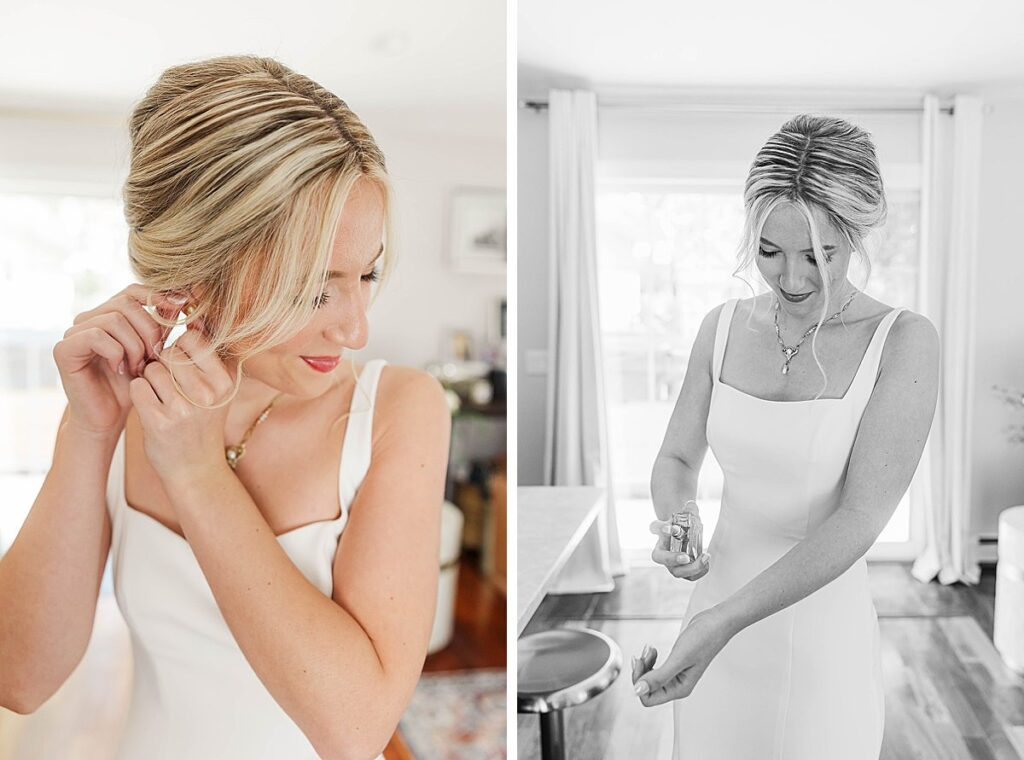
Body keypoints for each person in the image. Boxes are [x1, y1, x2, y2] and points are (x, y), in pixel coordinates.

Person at [0, 55, 451, 760]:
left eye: (365, 274)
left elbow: (354, 730)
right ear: (194, 276)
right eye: (312, 289)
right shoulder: (124, 398)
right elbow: (19, 678)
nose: (356, 328)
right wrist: (90, 431)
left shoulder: (397, 410)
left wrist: (199, 474)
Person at [632, 114, 939, 759]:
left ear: (856, 235)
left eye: (819, 255)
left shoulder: (904, 342)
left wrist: (724, 622)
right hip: (713, 606)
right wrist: (679, 521)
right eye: (770, 252)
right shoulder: (720, 326)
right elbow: (677, 456)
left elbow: (859, 518)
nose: (793, 279)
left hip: (817, 627)